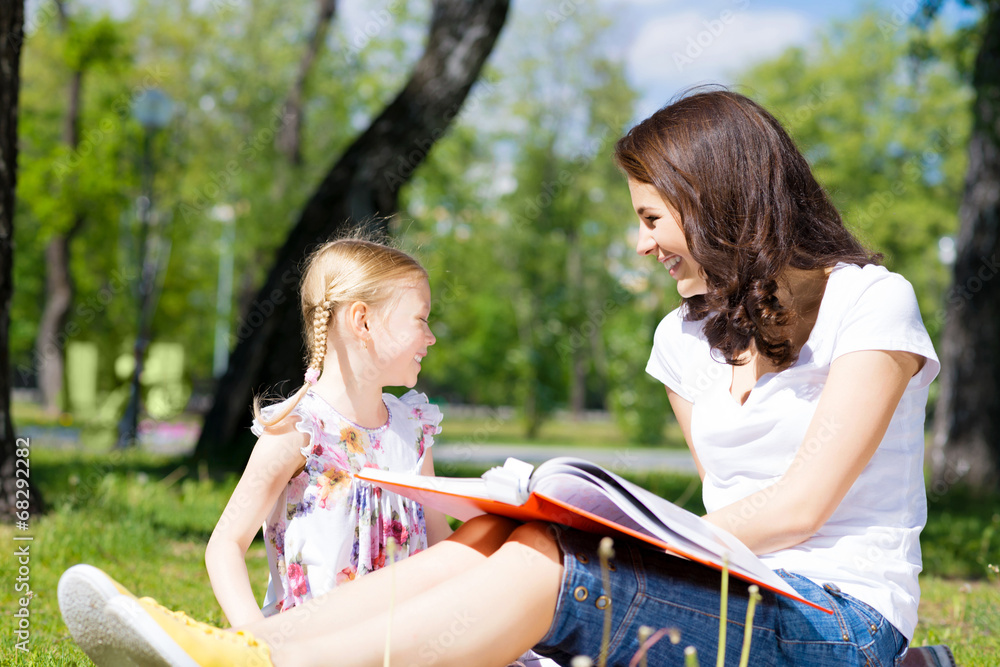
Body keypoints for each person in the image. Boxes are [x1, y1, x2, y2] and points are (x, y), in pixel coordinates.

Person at [58, 89, 938, 667]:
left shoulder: (872, 305)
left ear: (716, 200)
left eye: (650, 217)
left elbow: (796, 508)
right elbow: (727, 498)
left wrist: (617, 528)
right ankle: (236, 646)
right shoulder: (684, 340)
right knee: (490, 537)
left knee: (549, 560)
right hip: (731, 586)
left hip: (837, 619)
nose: (640, 243)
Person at [201, 237, 452, 627]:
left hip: (404, 640)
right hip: (316, 643)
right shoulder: (301, 430)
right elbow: (225, 546)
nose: (431, 336)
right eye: (421, 319)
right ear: (363, 320)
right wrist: (258, 642)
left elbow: (440, 541)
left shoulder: (414, 430)